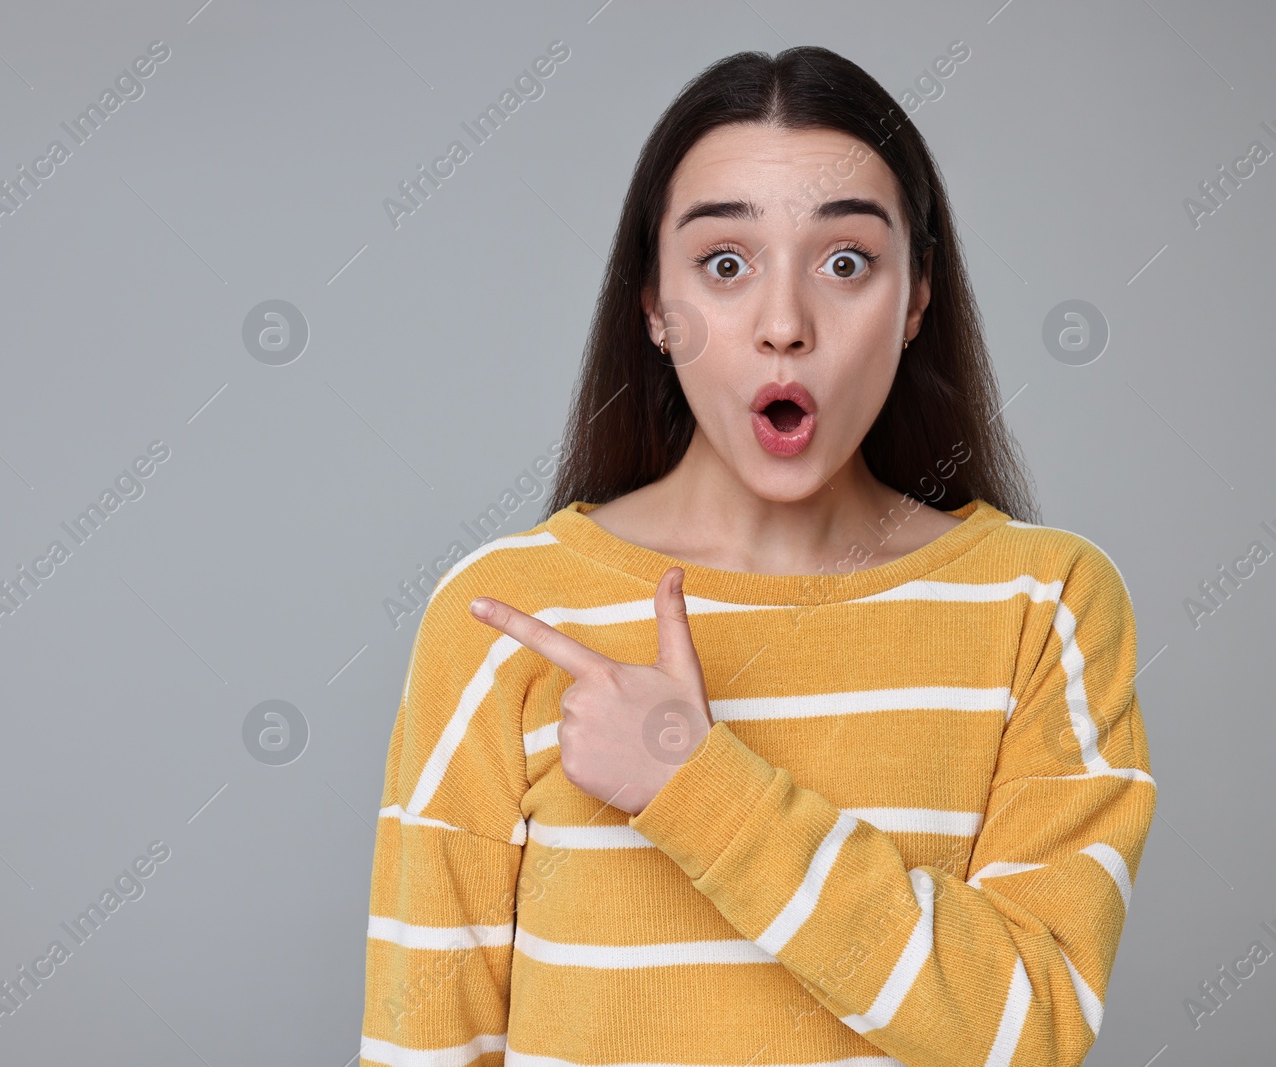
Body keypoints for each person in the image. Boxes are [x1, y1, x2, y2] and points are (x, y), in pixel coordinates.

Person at [358, 45, 1154, 1067]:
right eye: (725, 263)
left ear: (916, 300)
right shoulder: (507, 609)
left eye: (846, 262)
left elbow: (1028, 1028)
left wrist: (695, 783)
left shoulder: (1043, 604)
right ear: (653, 304)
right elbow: (423, 1043)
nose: (784, 325)